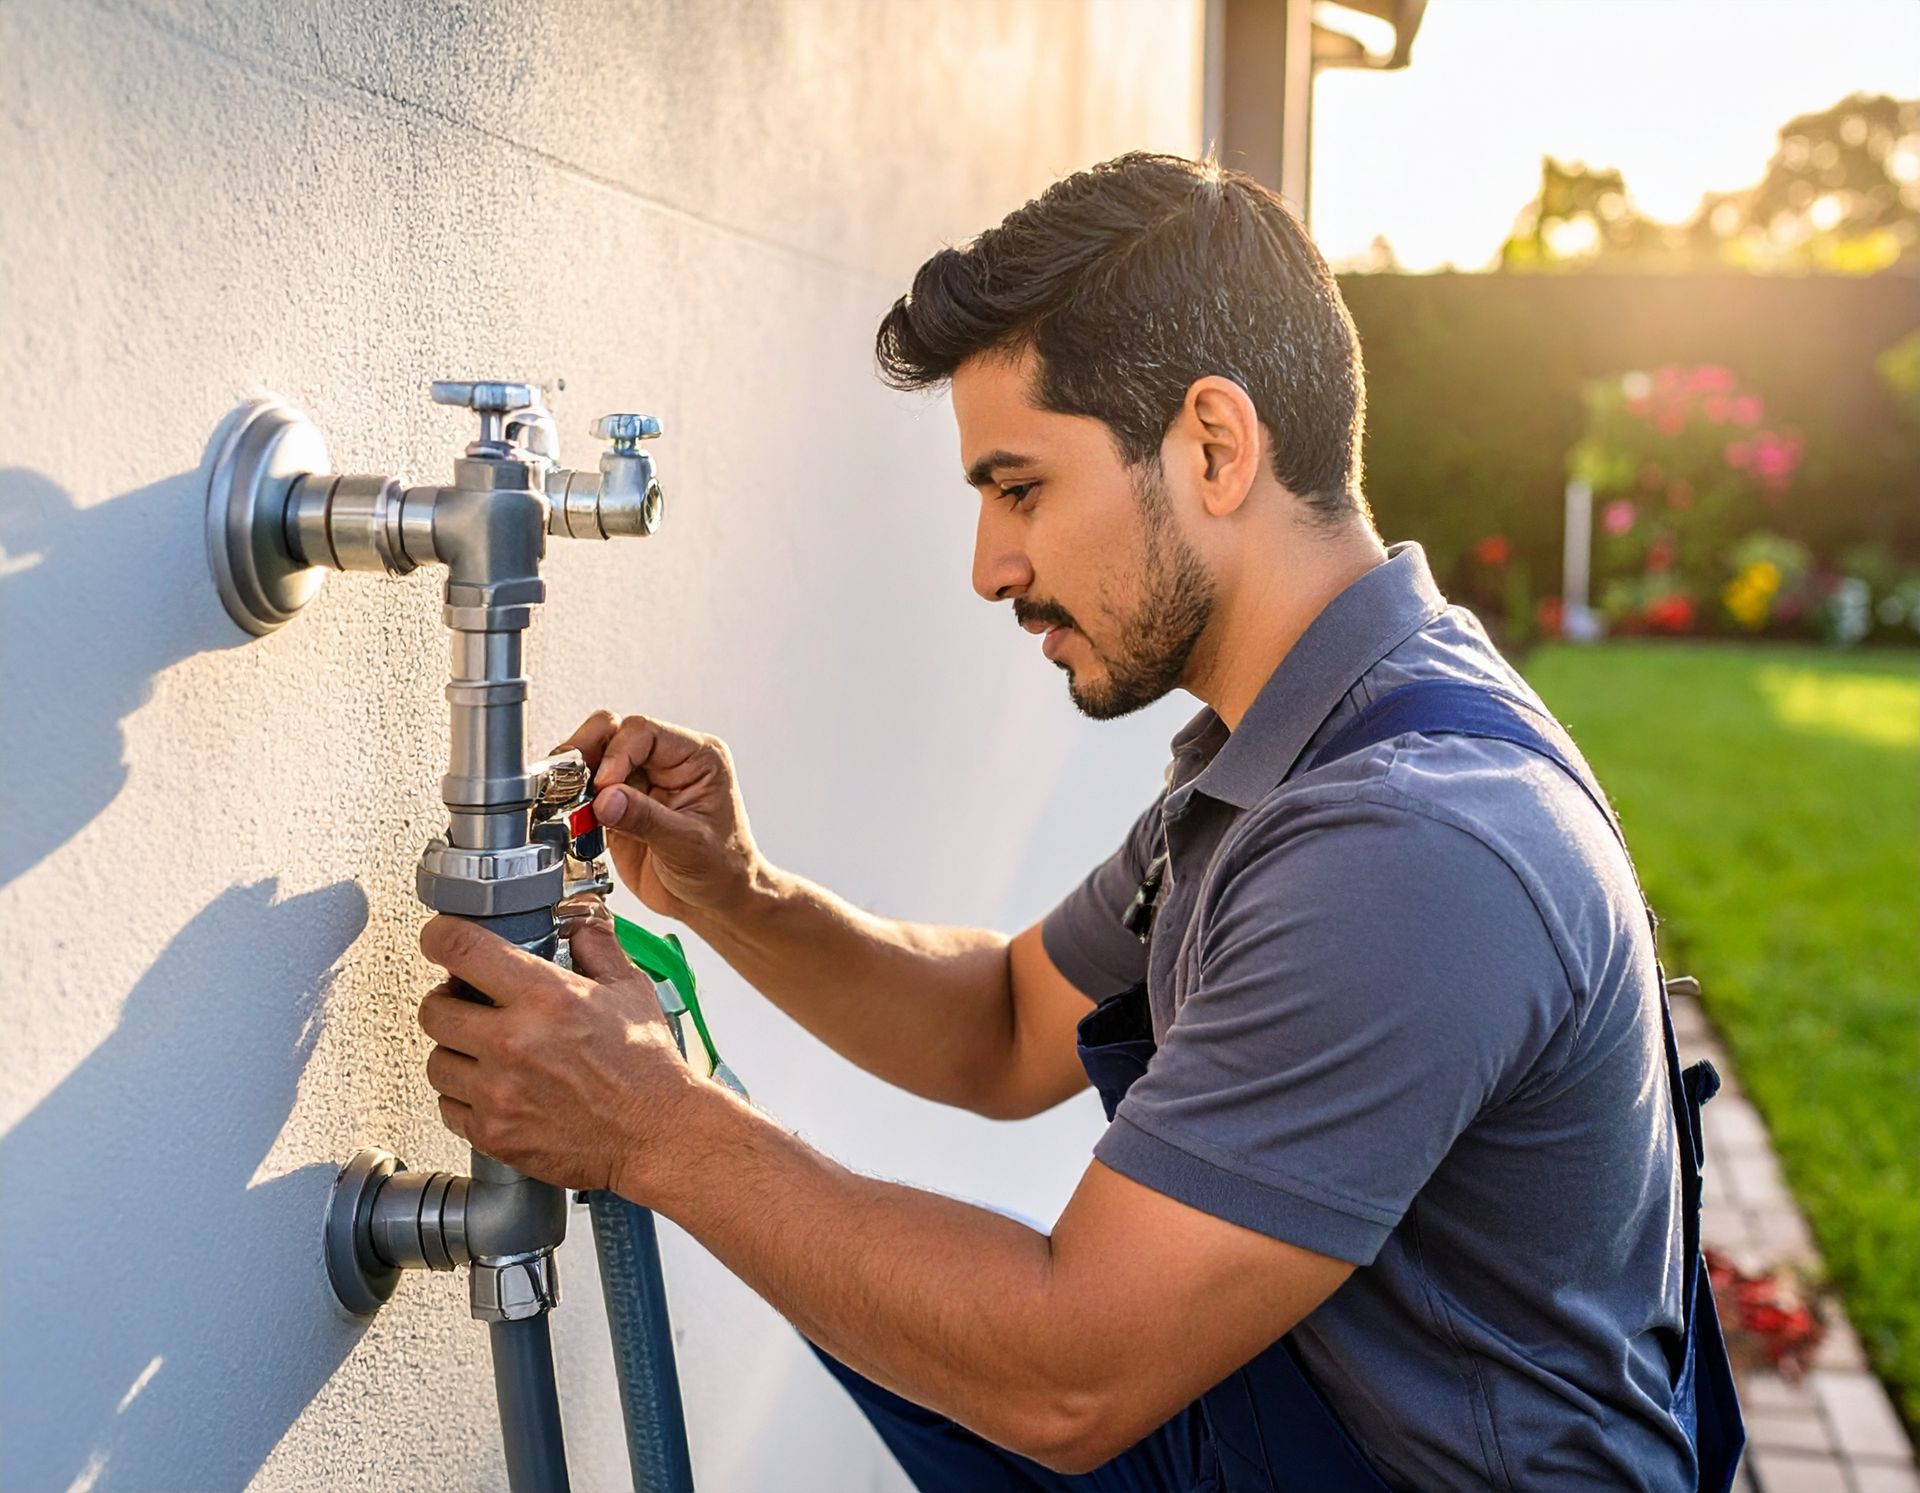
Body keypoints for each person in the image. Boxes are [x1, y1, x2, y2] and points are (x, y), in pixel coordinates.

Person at [415, 153, 1737, 1490]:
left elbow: (1066, 1372)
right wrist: (733, 891)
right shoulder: (1290, 755)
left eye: (1021, 486)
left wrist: (654, 1129)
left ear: (1213, 446)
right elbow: (1004, 1020)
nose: (990, 563)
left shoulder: (1405, 850)